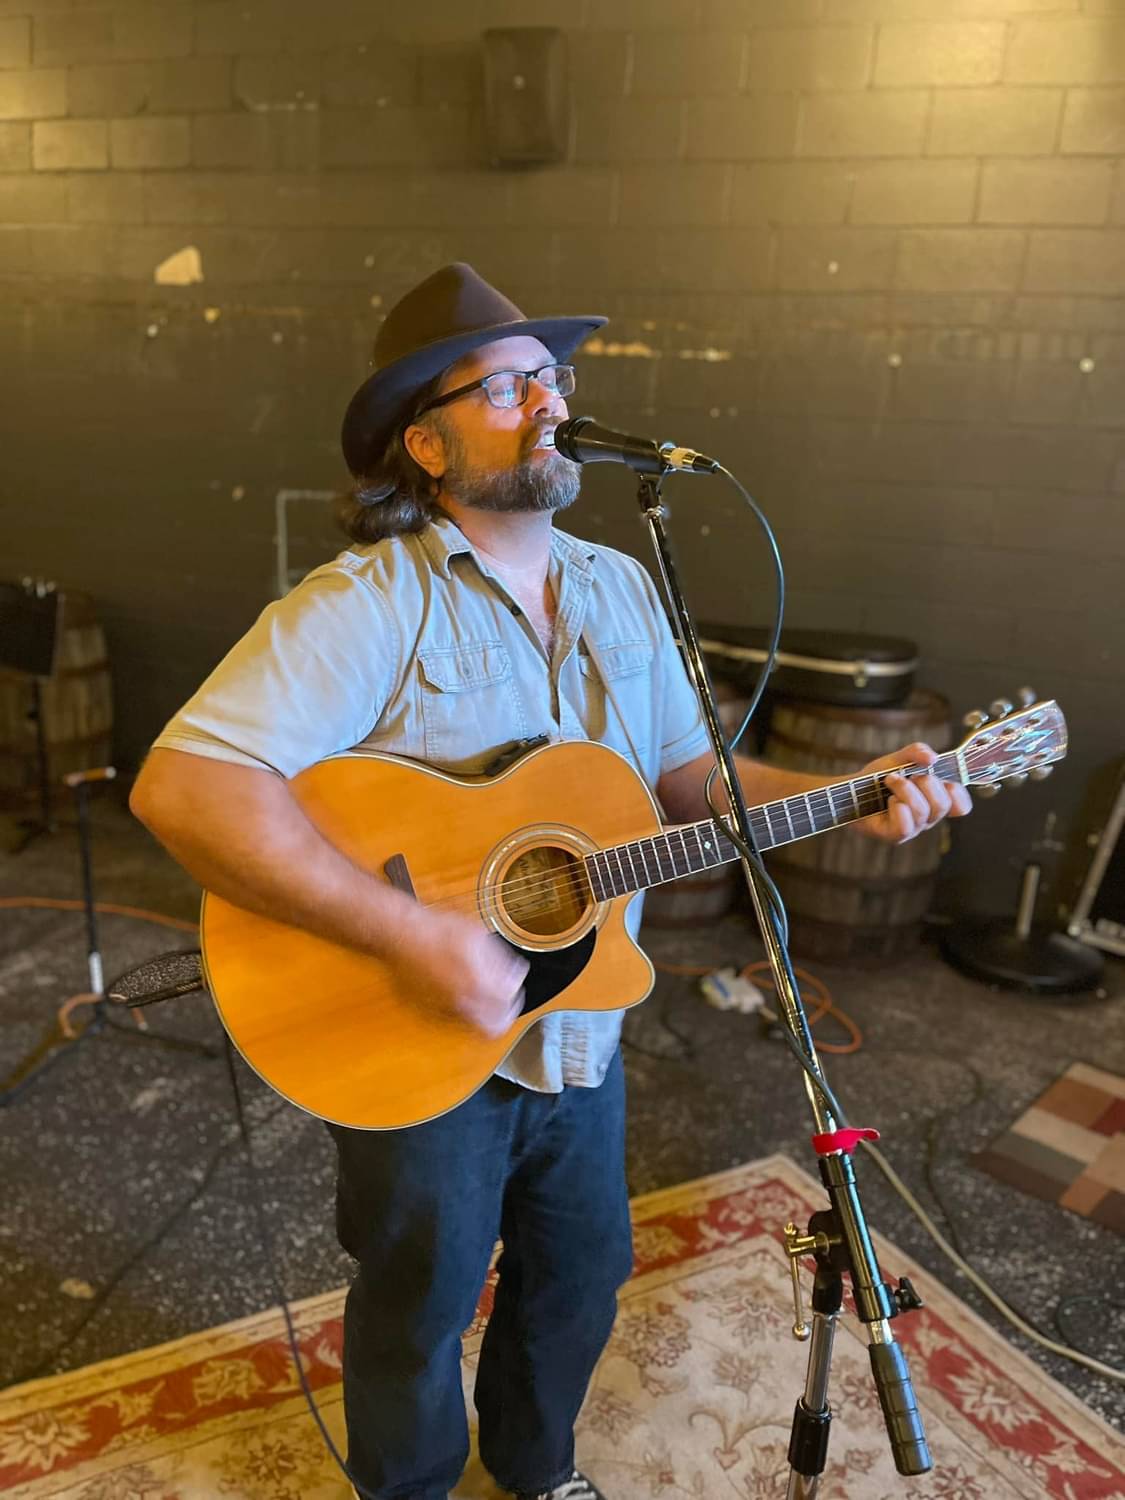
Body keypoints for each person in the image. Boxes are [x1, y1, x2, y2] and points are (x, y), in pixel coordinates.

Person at [129, 262, 972, 1500]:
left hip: (580, 1030)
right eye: (510, 383)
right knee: (417, 1304)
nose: (550, 403)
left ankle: (535, 1475)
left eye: (554, 377)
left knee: (579, 1279)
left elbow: (695, 784)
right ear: (425, 440)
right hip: (418, 1039)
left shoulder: (624, 586)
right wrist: (414, 936)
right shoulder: (371, 602)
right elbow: (186, 785)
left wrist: (864, 794)